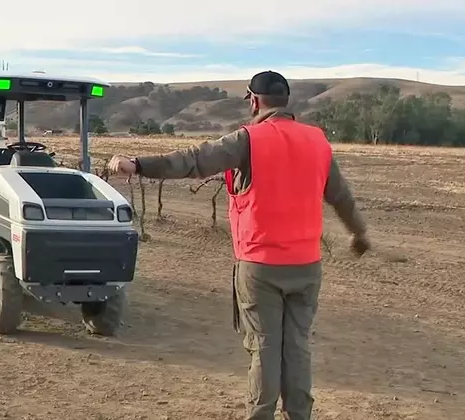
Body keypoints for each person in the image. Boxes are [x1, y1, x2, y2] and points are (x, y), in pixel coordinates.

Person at [106, 70, 370, 420]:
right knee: (297, 346)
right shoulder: (318, 142)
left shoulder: (248, 140)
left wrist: (137, 164)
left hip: (260, 265)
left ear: (254, 99)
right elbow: (341, 196)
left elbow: (193, 160)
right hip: (307, 265)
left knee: (264, 346)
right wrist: (358, 233)